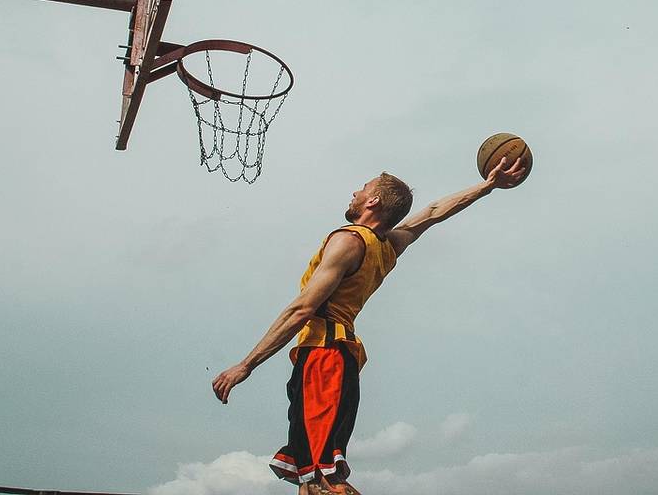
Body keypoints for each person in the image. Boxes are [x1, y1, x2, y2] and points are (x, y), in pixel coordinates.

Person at [212, 156, 527, 495]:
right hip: (331, 357)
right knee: (310, 478)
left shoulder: (349, 241)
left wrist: (246, 365)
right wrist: (486, 186)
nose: (354, 193)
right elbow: (435, 212)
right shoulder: (388, 244)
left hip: (325, 357)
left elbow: (302, 309)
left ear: (373, 201)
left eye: (362, 189)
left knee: (323, 479)